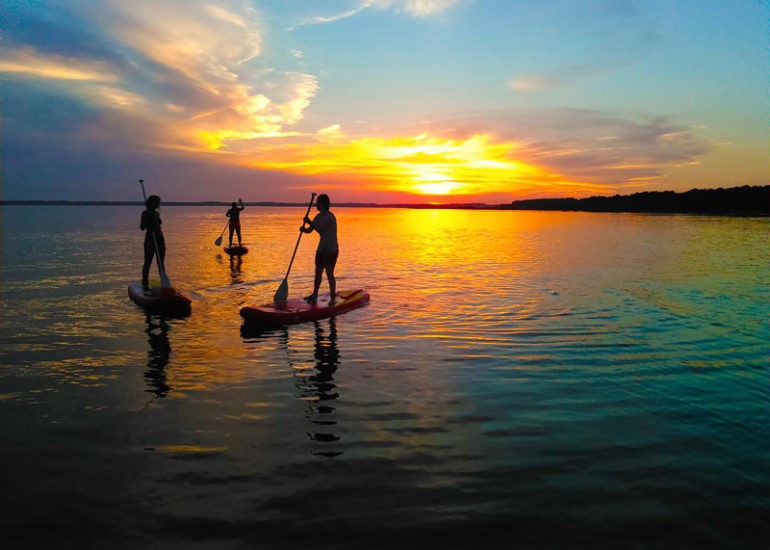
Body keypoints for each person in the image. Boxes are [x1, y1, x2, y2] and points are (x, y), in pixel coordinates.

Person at [301, 193, 338, 304]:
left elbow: (322, 229)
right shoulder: (318, 217)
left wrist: (310, 222)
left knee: (329, 273)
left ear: (322, 204)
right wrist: (303, 229)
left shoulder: (330, 217)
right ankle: (315, 294)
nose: (316, 205)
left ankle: (332, 297)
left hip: (331, 250)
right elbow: (310, 230)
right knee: (317, 272)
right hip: (321, 249)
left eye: (317, 203)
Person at [140, 194, 165, 290]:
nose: (159, 204)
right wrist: (148, 221)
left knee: (161, 263)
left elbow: (159, 223)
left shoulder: (156, 213)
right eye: (157, 202)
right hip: (150, 240)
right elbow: (142, 227)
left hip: (160, 239)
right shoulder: (145, 213)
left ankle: (164, 283)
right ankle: (144, 282)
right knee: (148, 262)